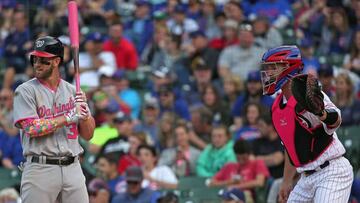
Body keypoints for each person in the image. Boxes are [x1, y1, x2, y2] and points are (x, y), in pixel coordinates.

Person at [260, 45, 353, 202]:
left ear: (288, 68)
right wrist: (286, 180)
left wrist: (320, 113)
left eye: (273, 67)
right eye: (267, 68)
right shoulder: (276, 106)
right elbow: (290, 147)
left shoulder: (308, 94)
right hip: (306, 177)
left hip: (331, 171)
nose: (268, 72)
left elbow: (336, 120)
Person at [13, 36, 96, 202]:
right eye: (35, 59)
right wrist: (69, 116)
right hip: (40, 168)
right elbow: (32, 128)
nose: (37, 64)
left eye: (44, 60)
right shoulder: (25, 91)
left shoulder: (73, 91)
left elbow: (88, 135)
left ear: (57, 61)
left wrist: (85, 115)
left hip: (73, 167)